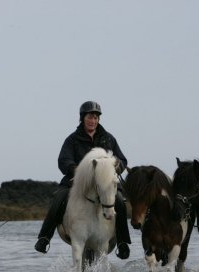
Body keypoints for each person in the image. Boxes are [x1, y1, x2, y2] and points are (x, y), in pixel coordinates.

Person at [34, 101, 131, 259]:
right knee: (58, 199)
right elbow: (63, 160)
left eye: (95, 117)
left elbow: (122, 160)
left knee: (119, 200)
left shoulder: (109, 138)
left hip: (104, 184)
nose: (92, 120)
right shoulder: (72, 139)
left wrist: (117, 165)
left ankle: (122, 241)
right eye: (89, 117)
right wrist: (75, 169)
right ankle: (44, 238)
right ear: (82, 118)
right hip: (76, 182)